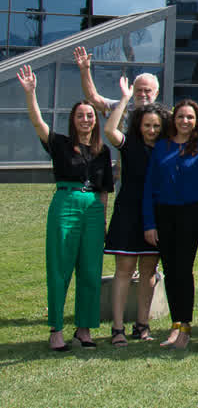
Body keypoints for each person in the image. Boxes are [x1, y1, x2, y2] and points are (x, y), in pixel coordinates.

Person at [18, 65, 113, 352]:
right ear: (73, 120)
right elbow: (37, 123)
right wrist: (31, 93)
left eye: (90, 115)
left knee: (90, 270)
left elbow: (104, 192)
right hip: (66, 205)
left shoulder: (102, 152)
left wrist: (103, 223)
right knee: (60, 268)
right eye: (80, 116)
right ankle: (56, 330)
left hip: (93, 210)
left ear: (95, 120)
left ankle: (84, 329)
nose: (85, 119)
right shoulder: (59, 143)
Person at [142, 49, 198, 350]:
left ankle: (185, 326)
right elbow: (149, 188)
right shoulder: (161, 147)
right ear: (173, 119)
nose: (185, 121)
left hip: (191, 213)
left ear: (196, 121)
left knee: (183, 268)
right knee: (170, 268)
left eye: (190, 117)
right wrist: (150, 223)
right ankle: (176, 325)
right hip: (163, 214)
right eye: (180, 116)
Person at [101, 77, 168, 346]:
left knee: (149, 272)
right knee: (124, 271)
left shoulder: (165, 149)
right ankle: (117, 328)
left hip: (154, 216)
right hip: (128, 213)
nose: (151, 130)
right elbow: (109, 130)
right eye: (147, 125)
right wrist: (125, 99)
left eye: (156, 126)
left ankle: (142, 325)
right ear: (139, 125)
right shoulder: (129, 144)